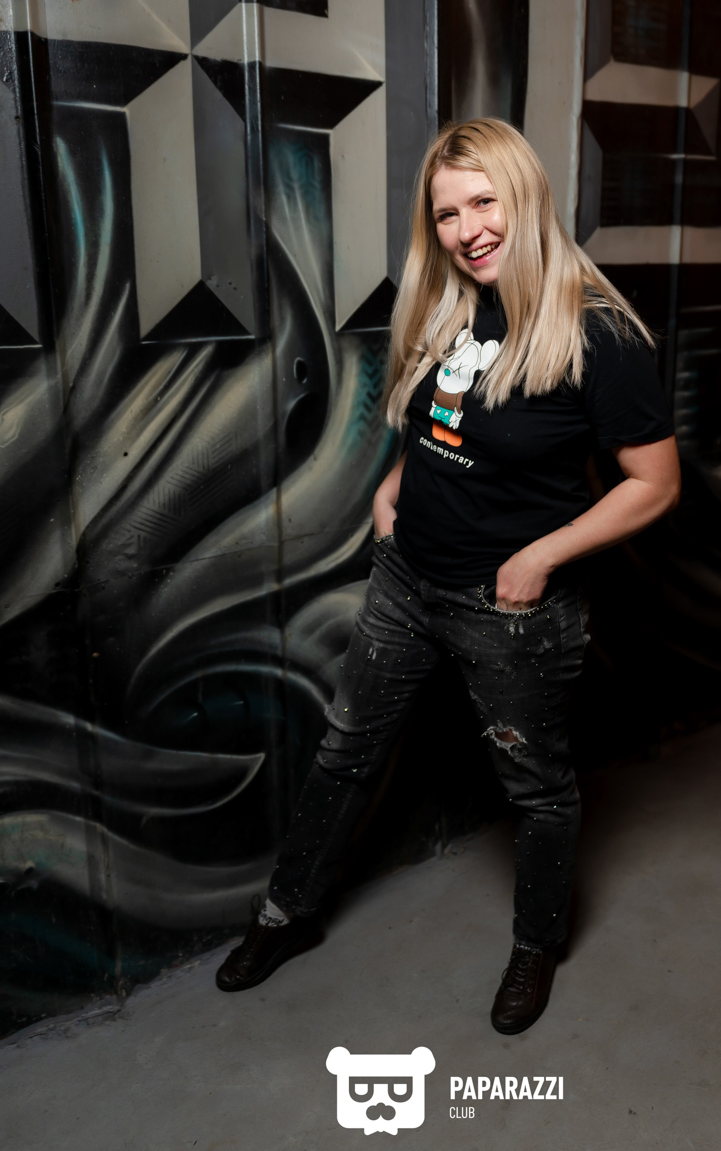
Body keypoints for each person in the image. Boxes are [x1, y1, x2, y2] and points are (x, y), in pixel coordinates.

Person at [216, 119, 680, 1033]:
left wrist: (540, 555)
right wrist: (393, 485)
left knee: (535, 789)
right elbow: (446, 420)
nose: (468, 230)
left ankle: (537, 944)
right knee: (345, 751)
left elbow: (655, 485)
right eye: (447, 214)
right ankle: (285, 914)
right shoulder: (455, 303)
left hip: (507, 609)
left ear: (525, 196)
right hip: (406, 579)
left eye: (484, 201)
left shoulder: (595, 331)